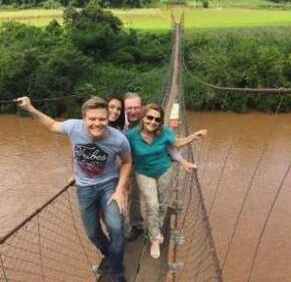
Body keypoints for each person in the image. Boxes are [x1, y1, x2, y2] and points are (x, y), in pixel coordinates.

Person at [16, 96, 132, 282]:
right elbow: (52, 125)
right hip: (84, 188)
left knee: (116, 228)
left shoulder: (119, 139)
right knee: (92, 233)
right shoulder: (73, 127)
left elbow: (127, 162)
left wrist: (119, 189)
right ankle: (112, 255)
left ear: (108, 118)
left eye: (101, 119)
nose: (97, 123)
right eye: (92, 119)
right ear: (83, 118)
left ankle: (117, 272)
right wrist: (30, 108)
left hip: (108, 184)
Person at [126, 103, 207, 259]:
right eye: (149, 117)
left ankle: (155, 228)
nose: (153, 122)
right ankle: (155, 239)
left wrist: (194, 137)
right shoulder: (131, 135)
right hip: (143, 173)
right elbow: (121, 153)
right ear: (143, 118)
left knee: (163, 203)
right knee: (152, 205)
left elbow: (175, 144)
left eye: (157, 119)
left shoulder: (164, 132)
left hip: (164, 170)